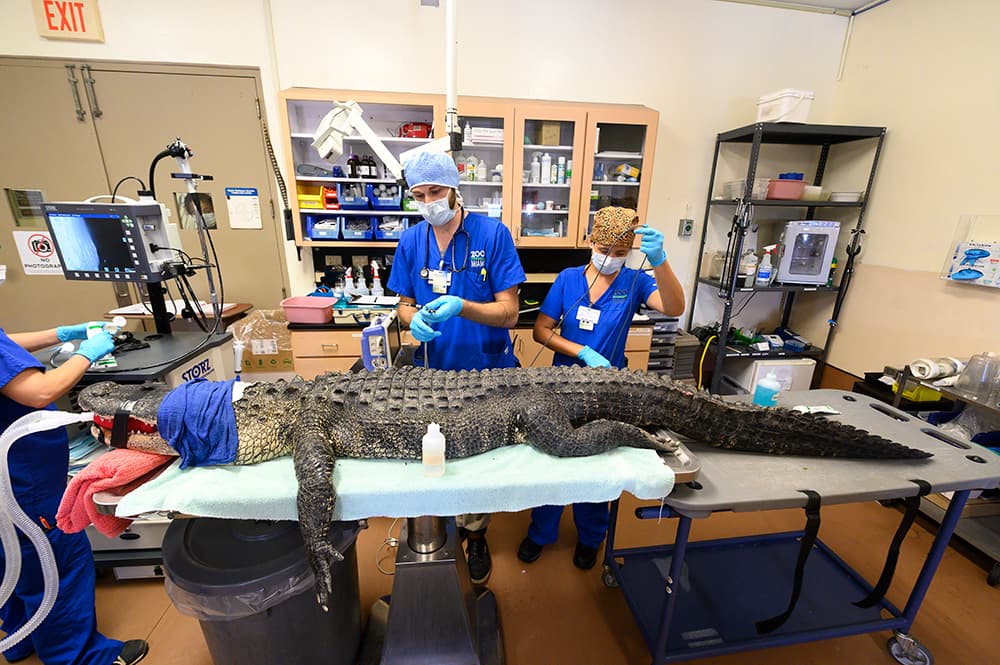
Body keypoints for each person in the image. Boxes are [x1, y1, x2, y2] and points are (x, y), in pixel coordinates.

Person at [517, 206, 685, 570]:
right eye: (604, 249)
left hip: (610, 390)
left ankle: (591, 536)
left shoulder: (635, 282)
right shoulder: (568, 279)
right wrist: (582, 351)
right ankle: (540, 532)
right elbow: (541, 331)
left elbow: (674, 307)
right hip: (560, 387)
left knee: (598, 465)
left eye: (620, 253)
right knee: (552, 461)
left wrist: (660, 261)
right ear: (591, 241)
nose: (610, 258)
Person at [388, 151, 525, 584]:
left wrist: (463, 307)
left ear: (454, 188)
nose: (429, 202)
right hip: (434, 369)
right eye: (419, 194)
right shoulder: (412, 241)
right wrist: (415, 322)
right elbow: (402, 305)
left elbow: (510, 314)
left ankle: (476, 531)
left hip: (486, 370)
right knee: (437, 455)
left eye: (436, 192)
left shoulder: (492, 234)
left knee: (480, 460)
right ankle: (438, 529)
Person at [0, 322, 149, 665]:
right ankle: (79, 657)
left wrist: (62, 334)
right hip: (23, 481)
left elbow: (3, 344)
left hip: (11, 481)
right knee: (56, 562)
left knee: (13, 559)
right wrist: (88, 353)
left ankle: (21, 638)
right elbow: (39, 392)